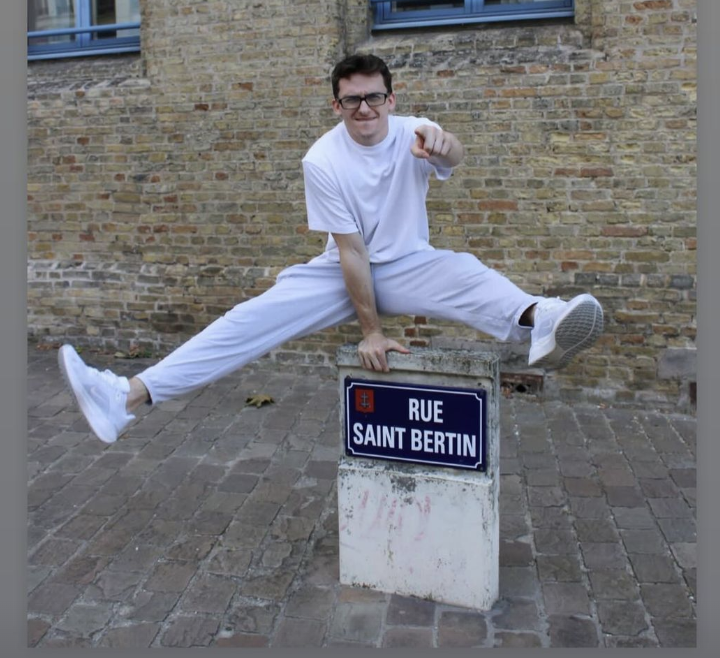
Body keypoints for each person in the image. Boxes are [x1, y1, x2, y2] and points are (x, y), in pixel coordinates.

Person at [58, 53, 604, 444]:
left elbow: (452, 155)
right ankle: (125, 397)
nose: (364, 108)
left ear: (391, 99)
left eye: (373, 97)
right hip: (343, 271)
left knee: (465, 272)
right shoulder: (322, 160)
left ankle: (545, 319)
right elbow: (351, 253)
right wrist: (372, 331)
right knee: (247, 322)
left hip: (410, 263)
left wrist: (447, 145)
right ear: (337, 105)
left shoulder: (417, 130)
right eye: (352, 100)